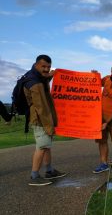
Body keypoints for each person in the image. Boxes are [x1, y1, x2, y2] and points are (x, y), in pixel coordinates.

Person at [24, 55, 67, 186]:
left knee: (46, 145)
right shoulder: (35, 83)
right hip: (40, 120)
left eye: (48, 67)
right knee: (42, 147)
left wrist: (52, 75)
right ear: (36, 64)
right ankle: (34, 176)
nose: (46, 69)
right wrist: (49, 126)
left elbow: (44, 77)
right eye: (43, 66)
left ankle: (49, 171)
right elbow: (41, 107)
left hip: (42, 118)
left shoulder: (36, 76)